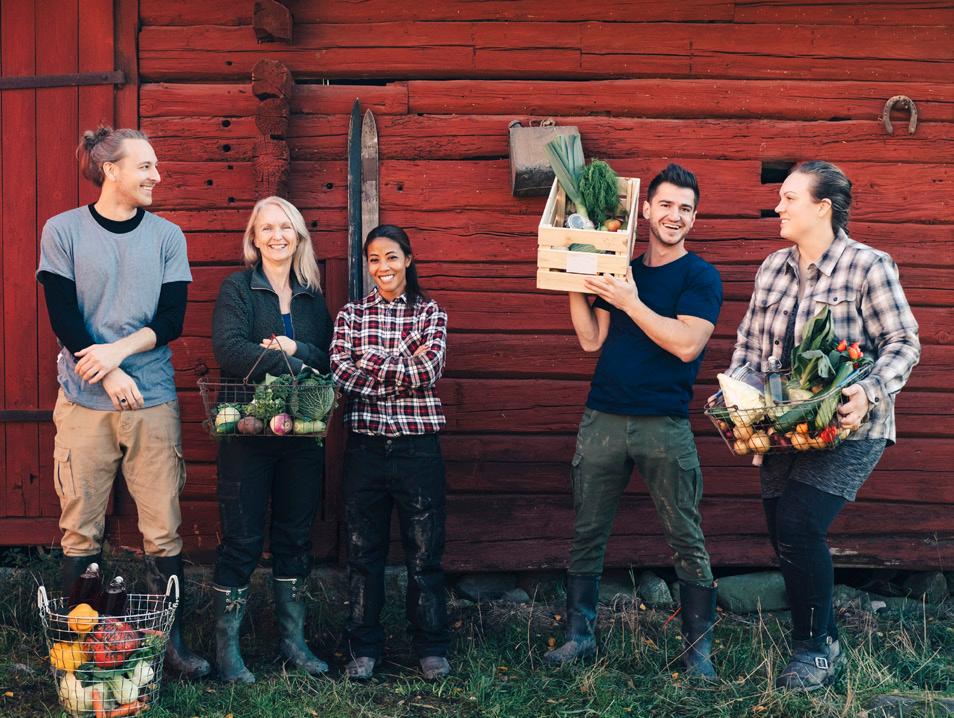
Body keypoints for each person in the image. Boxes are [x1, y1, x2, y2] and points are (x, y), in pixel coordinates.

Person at [726, 161, 920, 690]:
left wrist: (868, 391)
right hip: (782, 427)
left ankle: (814, 649)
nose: (779, 207)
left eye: (789, 198)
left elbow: (904, 343)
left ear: (822, 207)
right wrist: (741, 398)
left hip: (851, 428)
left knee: (798, 526)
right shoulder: (772, 268)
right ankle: (819, 633)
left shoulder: (868, 266)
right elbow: (747, 344)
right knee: (780, 533)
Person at [36, 126, 209, 679]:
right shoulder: (62, 230)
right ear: (111, 170)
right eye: (146, 166)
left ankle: (169, 647)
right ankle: (81, 649)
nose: (157, 176)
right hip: (84, 402)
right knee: (80, 527)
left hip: (151, 399)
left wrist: (117, 355)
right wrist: (106, 374)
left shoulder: (167, 236)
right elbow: (63, 317)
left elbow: (171, 321)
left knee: (163, 527)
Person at [546, 164, 723, 679]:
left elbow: (686, 342)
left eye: (686, 209)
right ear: (645, 210)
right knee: (587, 530)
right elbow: (590, 339)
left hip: (663, 424)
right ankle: (579, 638)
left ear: (693, 218)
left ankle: (699, 653)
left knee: (686, 534)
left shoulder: (699, 276)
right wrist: (576, 279)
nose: (675, 216)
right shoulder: (621, 266)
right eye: (666, 205)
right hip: (603, 415)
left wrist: (630, 299)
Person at [210, 196, 334, 683]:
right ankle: (227, 651)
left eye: (286, 227)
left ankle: (293, 642)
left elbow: (325, 355)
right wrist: (299, 365)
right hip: (246, 432)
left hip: (302, 436)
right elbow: (230, 349)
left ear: (299, 235)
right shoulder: (238, 288)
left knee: (295, 537)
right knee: (241, 540)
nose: (277, 235)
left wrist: (294, 349)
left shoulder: (310, 295)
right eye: (267, 228)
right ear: (254, 237)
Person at [330, 224, 451, 681]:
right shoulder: (350, 315)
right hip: (365, 449)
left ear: (408, 260)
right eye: (374, 259)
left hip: (418, 448)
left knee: (425, 555)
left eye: (392, 257)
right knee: (364, 555)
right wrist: (399, 362)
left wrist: (371, 364)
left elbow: (430, 367)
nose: (383, 267)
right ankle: (363, 649)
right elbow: (341, 372)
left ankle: (431, 647)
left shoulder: (430, 312)